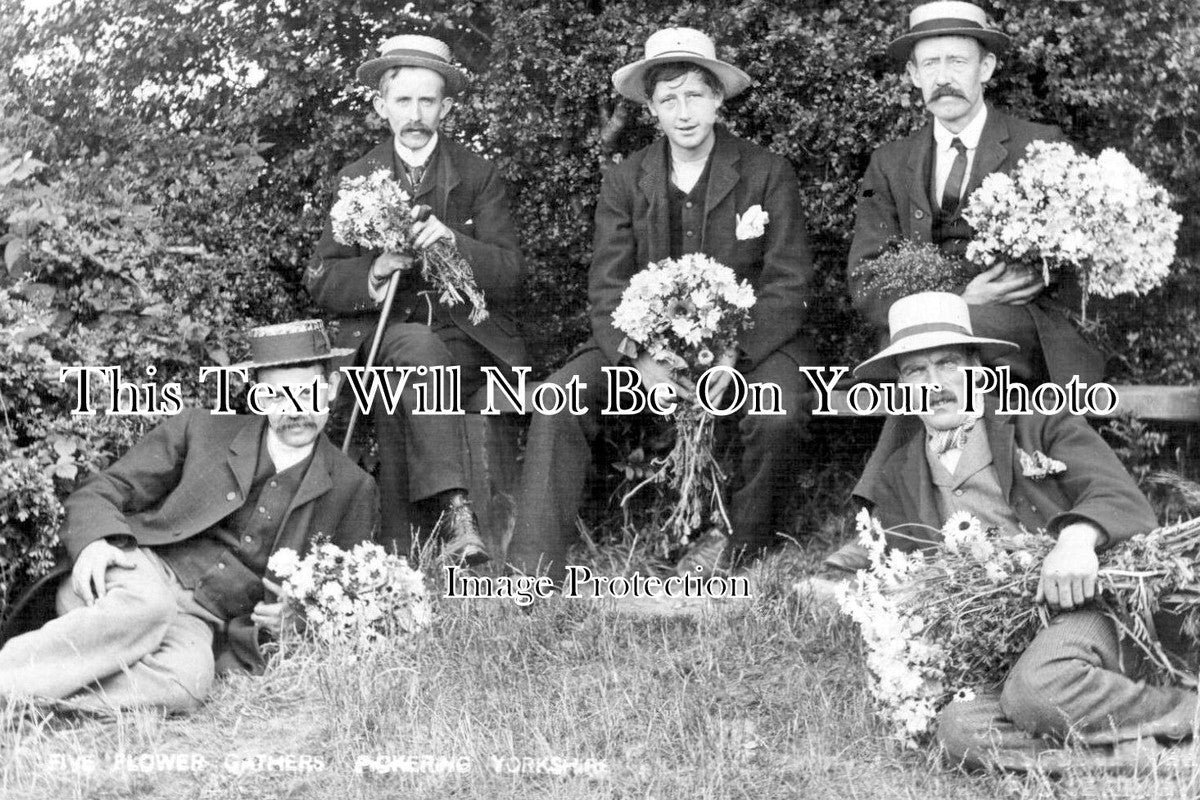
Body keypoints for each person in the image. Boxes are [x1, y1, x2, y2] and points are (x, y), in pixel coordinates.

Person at [506, 27, 814, 582]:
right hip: (646, 349)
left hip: (749, 344)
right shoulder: (626, 180)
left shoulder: (768, 172)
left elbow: (788, 283)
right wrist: (640, 359)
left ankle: (741, 548)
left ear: (718, 99)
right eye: (669, 99)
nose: (684, 112)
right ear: (651, 108)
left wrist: (734, 355)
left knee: (779, 410)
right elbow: (607, 287)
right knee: (557, 399)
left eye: (695, 95)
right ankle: (531, 569)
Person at [853, 292, 1197, 770]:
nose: (934, 383)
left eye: (948, 363)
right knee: (959, 728)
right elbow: (912, 582)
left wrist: (1077, 539)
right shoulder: (896, 477)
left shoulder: (1039, 423)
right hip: (1005, 644)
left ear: (978, 370)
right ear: (901, 386)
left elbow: (1120, 497)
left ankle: (1186, 712)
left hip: (1085, 609)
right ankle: (1143, 755)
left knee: (1038, 689)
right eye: (915, 371)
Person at [0, 320, 379, 713]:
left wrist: (296, 618)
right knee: (148, 607)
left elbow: (342, 600)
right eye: (277, 396)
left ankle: (37, 701)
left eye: (307, 393)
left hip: (199, 620)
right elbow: (103, 489)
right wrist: (94, 543)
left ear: (333, 387)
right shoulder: (201, 430)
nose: (295, 411)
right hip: (137, 576)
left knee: (188, 684)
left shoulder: (354, 488)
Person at [305, 34, 526, 564]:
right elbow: (321, 278)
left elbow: (512, 274)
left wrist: (454, 241)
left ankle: (402, 543)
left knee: (412, 376)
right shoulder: (356, 178)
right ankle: (456, 513)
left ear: (445, 108)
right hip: (385, 334)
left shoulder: (478, 175)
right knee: (414, 354)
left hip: (464, 338)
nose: (415, 114)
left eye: (428, 101)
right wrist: (375, 270)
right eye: (403, 100)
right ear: (381, 106)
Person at [847, 0, 1102, 387]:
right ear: (913, 74)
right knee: (923, 349)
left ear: (986, 68)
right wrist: (959, 300)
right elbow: (866, 277)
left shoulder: (1039, 147)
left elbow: (1084, 260)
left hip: (1019, 330)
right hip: (924, 329)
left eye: (957, 62)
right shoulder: (889, 163)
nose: (943, 77)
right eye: (930, 64)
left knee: (931, 350)